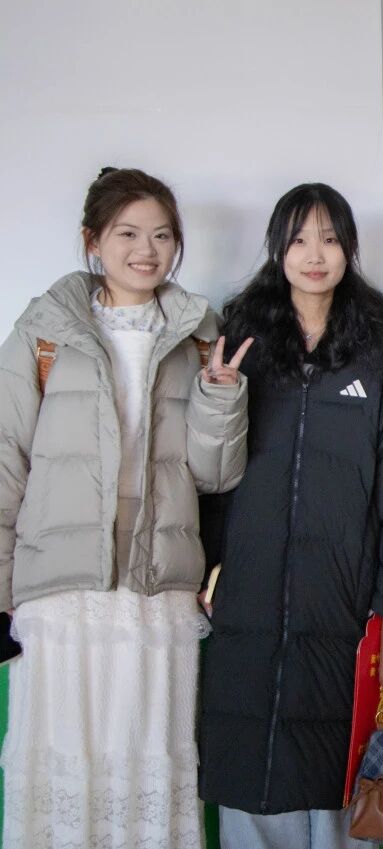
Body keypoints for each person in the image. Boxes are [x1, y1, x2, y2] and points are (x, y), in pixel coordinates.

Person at [0, 166, 249, 848]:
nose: (147, 250)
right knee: (64, 761)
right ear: (93, 240)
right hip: (63, 591)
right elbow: (5, 459)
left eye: (162, 235)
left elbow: (216, 475)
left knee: (145, 763)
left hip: (155, 591)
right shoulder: (44, 331)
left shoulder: (199, 333)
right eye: (128, 233)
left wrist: (221, 397)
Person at [198, 183, 383, 849]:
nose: (314, 254)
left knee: (342, 778)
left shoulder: (381, 347)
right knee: (252, 767)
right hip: (247, 598)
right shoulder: (239, 340)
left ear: (349, 249)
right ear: (277, 248)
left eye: (329, 239)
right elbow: (210, 480)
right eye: (299, 239)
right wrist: (205, 571)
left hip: (346, 606)